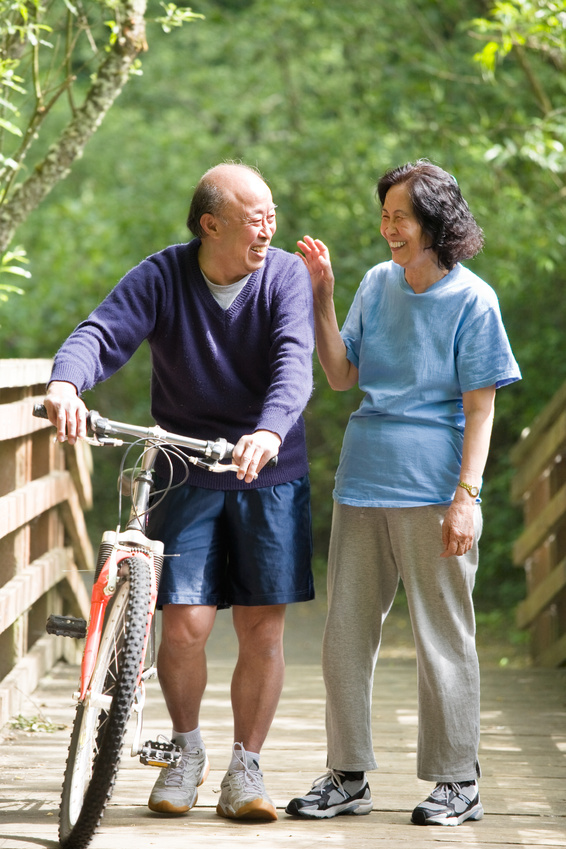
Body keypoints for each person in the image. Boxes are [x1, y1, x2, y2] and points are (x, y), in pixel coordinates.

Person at [44, 162, 315, 823]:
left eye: (272, 213)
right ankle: (186, 750)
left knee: (261, 629)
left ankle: (245, 767)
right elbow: (101, 332)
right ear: (210, 225)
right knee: (186, 626)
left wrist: (270, 431)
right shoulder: (164, 275)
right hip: (185, 468)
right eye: (255, 217)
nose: (269, 227)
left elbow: (294, 361)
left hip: (268, 470)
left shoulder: (284, 277)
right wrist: (65, 385)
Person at [286, 160, 521, 826]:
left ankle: (457, 781)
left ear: (435, 223)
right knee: (344, 637)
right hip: (363, 483)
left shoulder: (474, 300)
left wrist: (467, 496)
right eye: (385, 214)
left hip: (434, 490)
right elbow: (340, 374)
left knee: (443, 636)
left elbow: (482, 410)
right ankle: (348, 774)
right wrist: (323, 295)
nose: (390, 228)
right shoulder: (375, 283)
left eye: (402, 217)